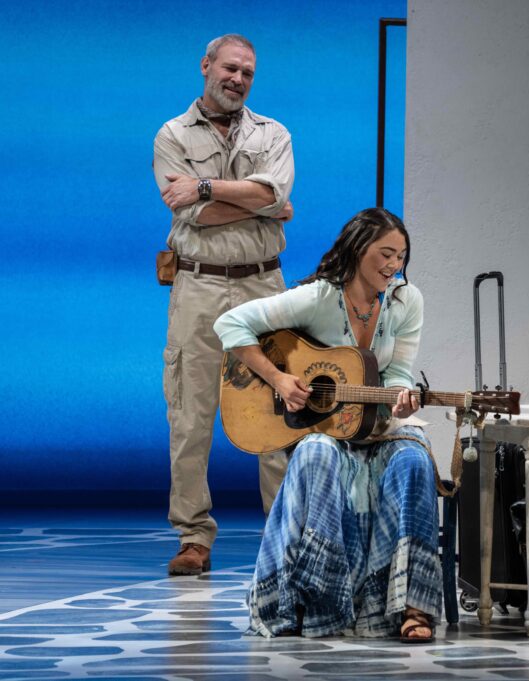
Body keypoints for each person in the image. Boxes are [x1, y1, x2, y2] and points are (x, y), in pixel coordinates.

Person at [213, 207, 440, 643]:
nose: (394, 266)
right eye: (386, 254)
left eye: (401, 256)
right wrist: (279, 379)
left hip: (376, 425)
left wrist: (401, 402)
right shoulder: (318, 297)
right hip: (327, 431)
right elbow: (230, 323)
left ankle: (412, 606)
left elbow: (396, 375)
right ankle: (318, 599)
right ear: (358, 250)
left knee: (414, 459)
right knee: (316, 453)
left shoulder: (405, 301)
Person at [153, 34, 294, 576]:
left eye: (248, 72)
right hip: (199, 287)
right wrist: (260, 205)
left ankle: (285, 530)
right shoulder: (172, 135)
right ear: (206, 65)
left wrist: (207, 188)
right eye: (230, 68)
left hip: (264, 286)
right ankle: (194, 536)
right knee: (189, 414)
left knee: (279, 407)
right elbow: (194, 217)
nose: (238, 79)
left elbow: (273, 196)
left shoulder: (273, 133)